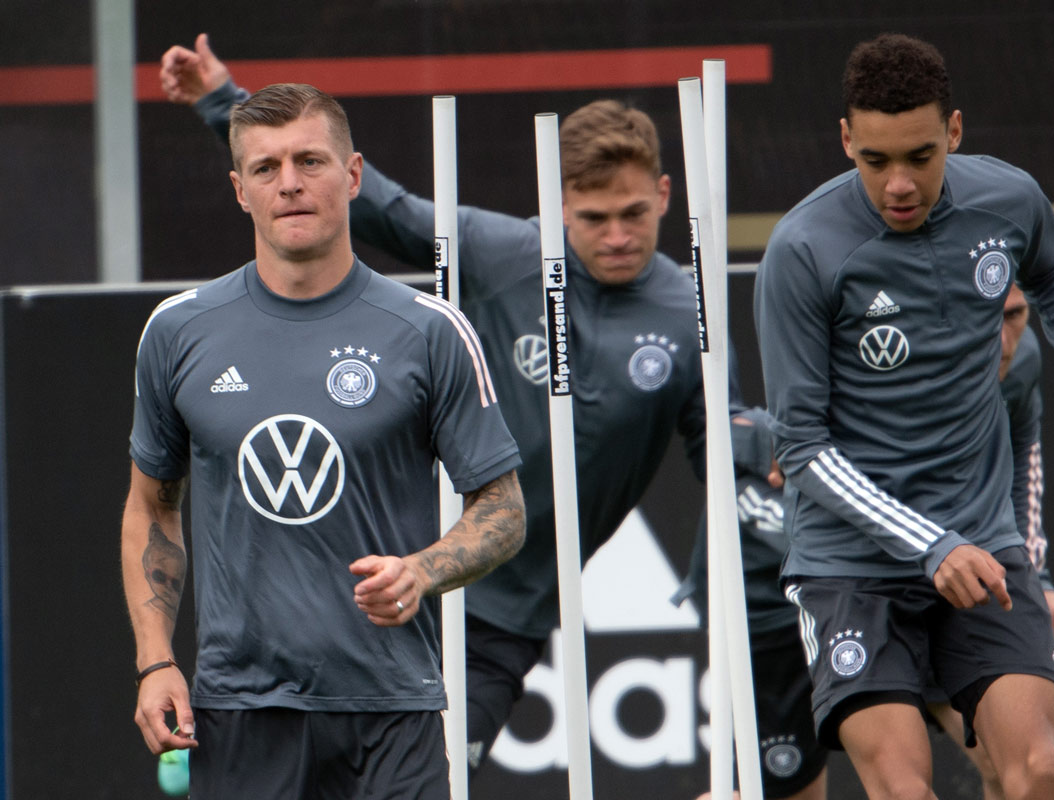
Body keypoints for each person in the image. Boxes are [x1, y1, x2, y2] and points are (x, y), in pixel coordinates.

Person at [161, 34, 727, 776]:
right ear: (560, 209)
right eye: (593, 219)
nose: (617, 237)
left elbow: (724, 448)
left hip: (509, 610)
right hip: (395, 585)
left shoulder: (693, 309)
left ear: (664, 195)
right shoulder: (505, 254)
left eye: (632, 214)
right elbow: (376, 208)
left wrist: (763, 454)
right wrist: (218, 100)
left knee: (442, 780)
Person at [754, 32, 1054, 800]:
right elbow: (801, 448)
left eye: (920, 156)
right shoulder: (801, 251)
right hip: (851, 569)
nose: (898, 183)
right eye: (875, 161)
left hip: (983, 544)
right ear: (845, 141)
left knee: (1036, 773)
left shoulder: (1008, 198)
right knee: (907, 790)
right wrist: (931, 545)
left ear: (955, 132)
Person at [122, 83, 525, 799]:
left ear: (354, 174)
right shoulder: (178, 331)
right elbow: (152, 508)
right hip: (242, 711)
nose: (290, 184)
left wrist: (424, 571)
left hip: (392, 709)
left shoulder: (431, 331)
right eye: (266, 168)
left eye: (310, 161)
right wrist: (156, 662)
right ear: (240, 189)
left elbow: (502, 507)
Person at [926, 284, 1054, 800]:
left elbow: (1022, 460)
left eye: (1013, 315)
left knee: (1018, 769)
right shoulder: (895, 359)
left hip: (968, 584)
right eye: (984, 317)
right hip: (866, 582)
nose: (1003, 341)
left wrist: (1038, 574)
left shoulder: (1023, 358)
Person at [674, 409, 829, 800]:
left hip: (807, 630)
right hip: (763, 646)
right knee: (764, 787)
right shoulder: (744, 483)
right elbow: (801, 537)